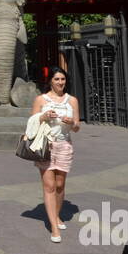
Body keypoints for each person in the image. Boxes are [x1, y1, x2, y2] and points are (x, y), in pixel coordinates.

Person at [30, 68, 81, 243]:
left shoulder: (72, 100)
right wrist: (43, 116)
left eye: (63, 79)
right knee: (49, 187)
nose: (60, 82)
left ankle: (57, 215)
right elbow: (32, 121)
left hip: (64, 145)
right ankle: (53, 226)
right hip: (45, 146)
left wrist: (71, 122)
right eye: (57, 79)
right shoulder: (41, 99)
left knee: (60, 185)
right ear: (50, 81)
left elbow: (77, 127)